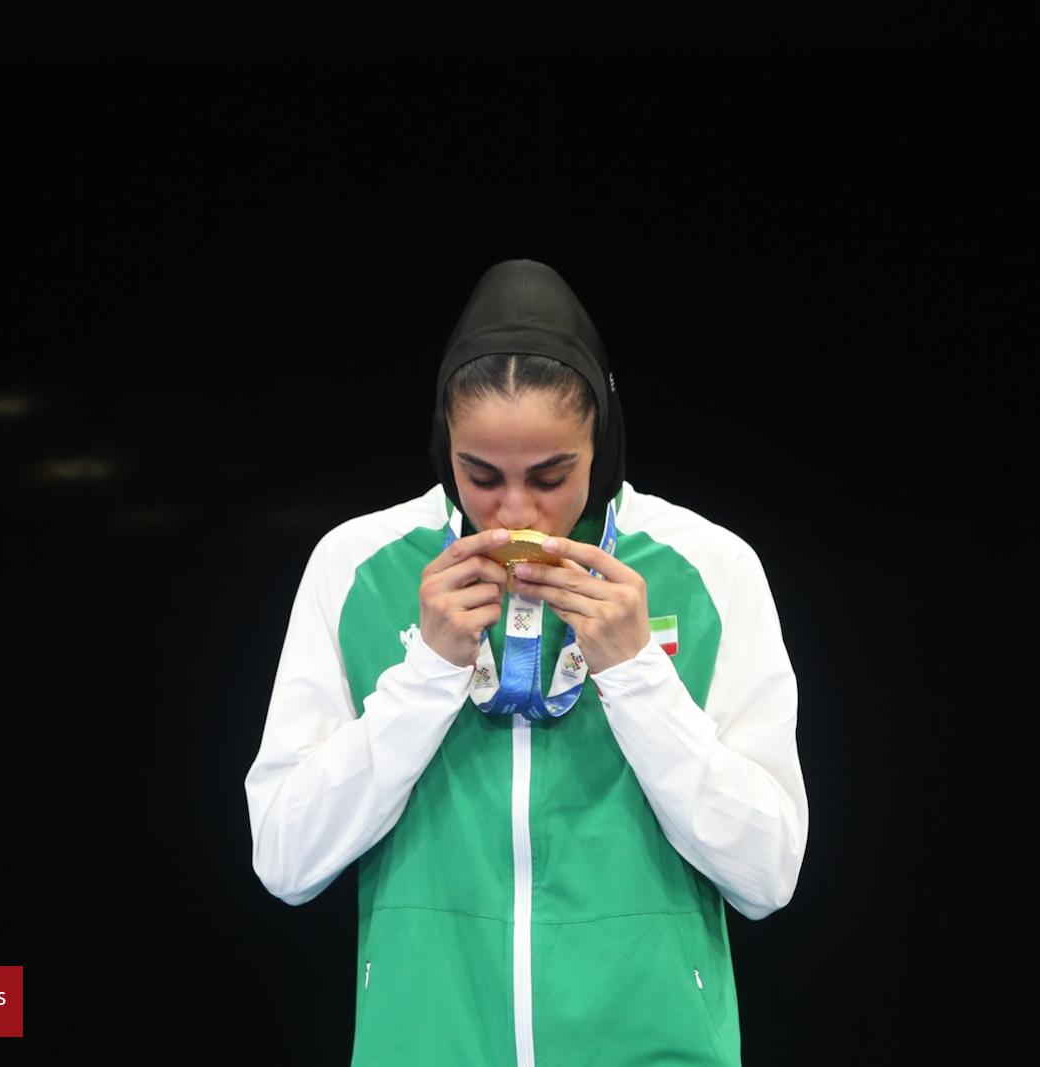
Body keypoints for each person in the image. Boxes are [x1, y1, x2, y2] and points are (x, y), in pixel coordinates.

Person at [245, 258, 808, 1066]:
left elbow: (767, 872)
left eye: (552, 476)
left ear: (602, 443)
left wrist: (638, 675)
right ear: (443, 448)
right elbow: (286, 858)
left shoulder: (711, 567)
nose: (515, 513)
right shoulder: (356, 565)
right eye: (480, 475)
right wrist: (426, 675)